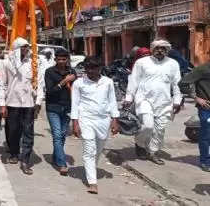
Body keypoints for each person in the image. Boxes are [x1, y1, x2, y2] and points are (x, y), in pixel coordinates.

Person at [125, 39, 182, 165]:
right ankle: (140, 143)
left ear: (167, 50)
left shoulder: (173, 64)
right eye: (157, 48)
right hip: (144, 99)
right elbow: (134, 80)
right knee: (148, 126)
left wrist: (177, 100)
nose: (160, 50)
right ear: (152, 49)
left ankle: (153, 152)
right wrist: (129, 98)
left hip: (164, 102)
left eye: (163, 48)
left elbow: (177, 84)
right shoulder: (142, 62)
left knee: (160, 130)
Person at [71, 57, 120, 194]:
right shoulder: (79, 83)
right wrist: (75, 123)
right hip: (86, 119)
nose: (90, 71)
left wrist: (115, 120)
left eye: (94, 68)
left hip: (103, 120)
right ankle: (92, 182)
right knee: (89, 150)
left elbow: (112, 101)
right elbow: (75, 104)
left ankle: (91, 168)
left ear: (100, 68)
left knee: (98, 150)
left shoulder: (108, 82)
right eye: (88, 68)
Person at [3, 37, 44, 175]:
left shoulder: (33, 63)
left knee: (28, 132)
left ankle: (25, 160)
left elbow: (39, 83)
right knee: (13, 130)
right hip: (12, 102)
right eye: (23, 47)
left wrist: (38, 102)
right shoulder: (7, 63)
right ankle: (14, 153)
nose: (26, 49)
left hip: (28, 104)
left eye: (27, 47)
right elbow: (2, 84)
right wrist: (2, 104)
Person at [44, 49, 76, 176]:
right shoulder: (49, 72)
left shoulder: (72, 72)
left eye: (64, 59)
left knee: (62, 135)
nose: (62, 62)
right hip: (53, 108)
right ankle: (62, 164)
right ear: (55, 60)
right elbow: (50, 91)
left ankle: (56, 156)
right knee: (57, 135)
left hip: (67, 108)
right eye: (59, 59)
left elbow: (77, 90)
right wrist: (64, 82)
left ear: (67, 59)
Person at [181, 62, 210, 172]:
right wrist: (196, 98)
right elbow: (183, 83)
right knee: (206, 134)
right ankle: (205, 161)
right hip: (206, 107)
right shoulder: (202, 69)